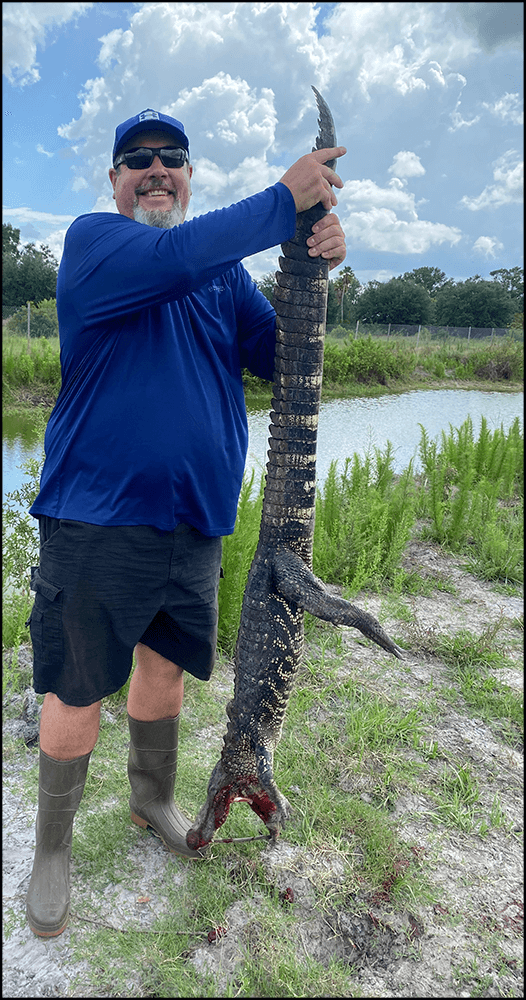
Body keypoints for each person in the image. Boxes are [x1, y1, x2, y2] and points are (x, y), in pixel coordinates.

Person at [25, 107, 347, 937]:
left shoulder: (220, 278)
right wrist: (281, 202)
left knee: (163, 672)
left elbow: (281, 355)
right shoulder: (98, 243)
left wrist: (316, 275)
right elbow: (176, 253)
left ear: (191, 174)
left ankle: (152, 802)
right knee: (77, 684)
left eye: (173, 157)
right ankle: (52, 851)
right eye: (139, 159)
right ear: (115, 181)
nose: (157, 168)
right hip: (97, 518)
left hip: (195, 522)